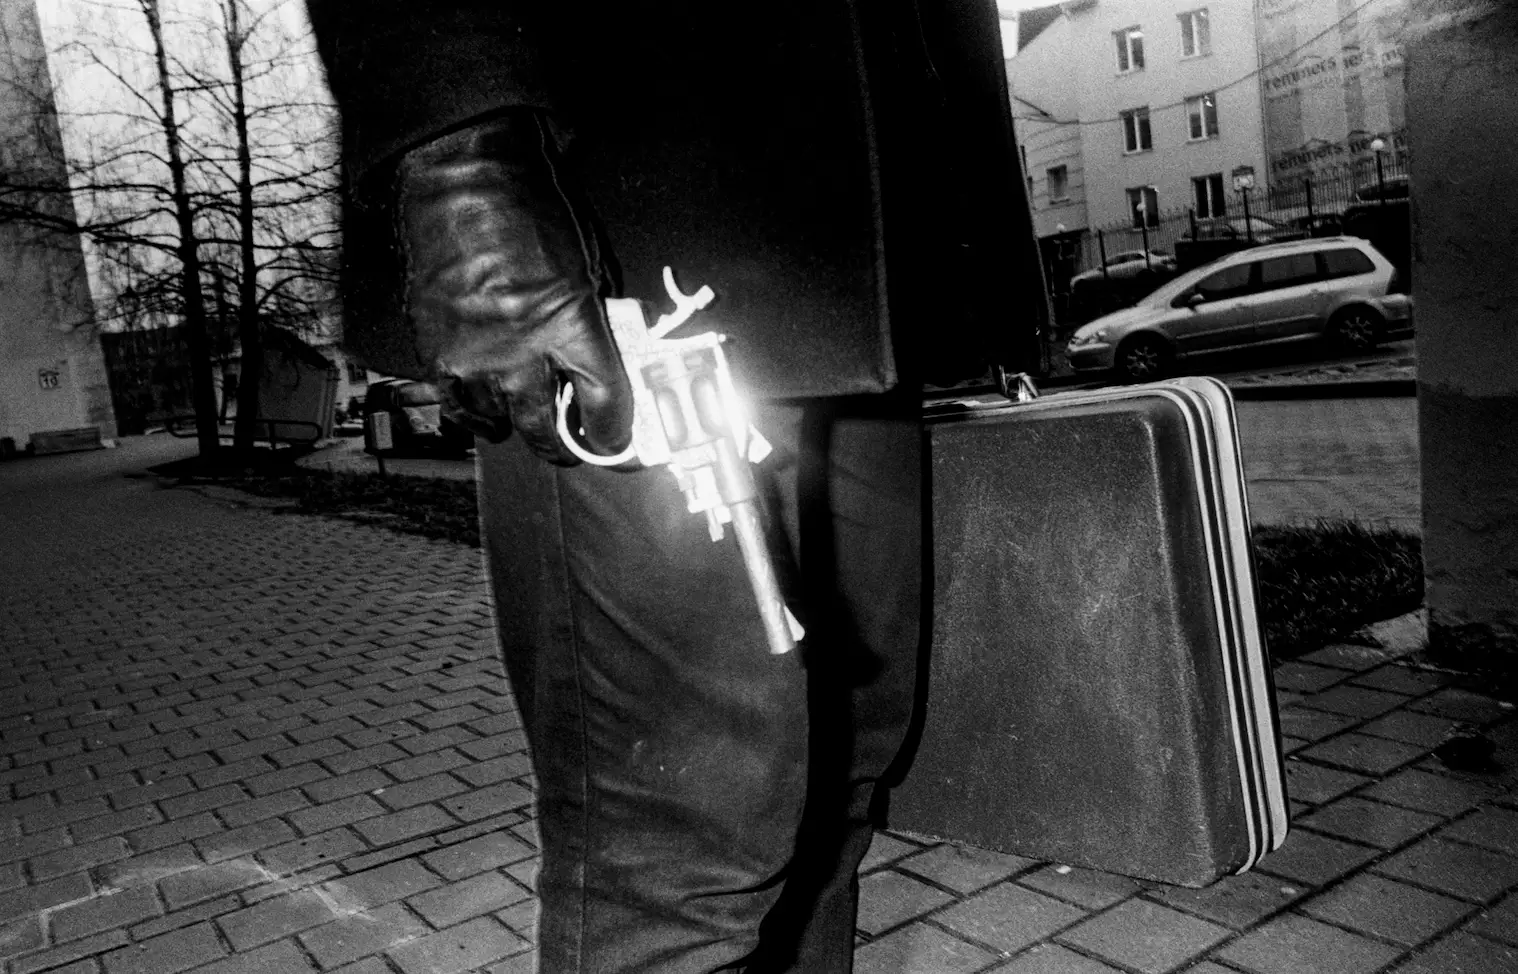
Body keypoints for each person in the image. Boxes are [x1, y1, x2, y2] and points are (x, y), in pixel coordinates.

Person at [304, 2, 1047, 970]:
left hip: (862, 268)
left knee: (840, 774)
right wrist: (462, 172)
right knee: (689, 832)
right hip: (629, 266)